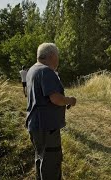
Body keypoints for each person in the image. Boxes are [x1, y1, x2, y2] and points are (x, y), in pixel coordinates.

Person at [26, 43, 77, 179]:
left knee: (41, 160)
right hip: (47, 127)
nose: (58, 60)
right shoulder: (46, 71)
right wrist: (70, 100)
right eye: (58, 57)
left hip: (36, 125)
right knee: (51, 163)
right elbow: (55, 98)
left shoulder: (32, 70)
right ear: (52, 56)